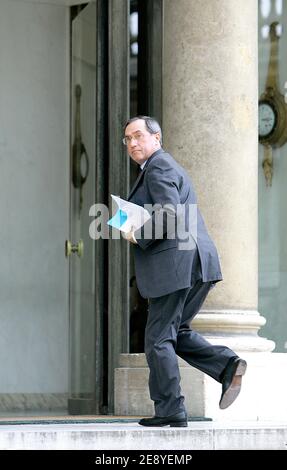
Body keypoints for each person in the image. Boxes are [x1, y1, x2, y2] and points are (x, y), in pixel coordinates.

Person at [122, 116, 247, 427]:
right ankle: (227, 365)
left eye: (138, 136)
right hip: (196, 264)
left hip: (177, 265)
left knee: (157, 339)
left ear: (157, 138)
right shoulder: (162, 166)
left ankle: (170, 409)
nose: (133, 143)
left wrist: (138, 234)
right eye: (127, 139)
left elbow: (169, 212)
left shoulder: (159, 166)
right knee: (176, 332)